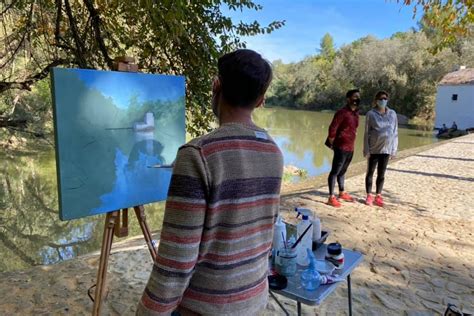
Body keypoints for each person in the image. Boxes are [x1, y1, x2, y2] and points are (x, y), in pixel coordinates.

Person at [137, 49, 284, 315]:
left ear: (216, 86)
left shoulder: (197, 155)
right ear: (261, 100)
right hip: (254, 302)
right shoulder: (274, 152)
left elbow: (177, 260)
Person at [363, 90, 398, 207]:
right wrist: (366, 149)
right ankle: (369, 195)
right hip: (374, 149)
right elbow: (366, 132)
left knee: (381, 174)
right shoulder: (371, 114)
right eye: (381, 99)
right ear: (376, 100)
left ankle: (378, 195)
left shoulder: (392, 114)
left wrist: (394, 149)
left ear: (387, 100)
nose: (383, 101)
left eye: (385, 99)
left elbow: (395, 132)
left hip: (386, 149)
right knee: (370, 172)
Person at [326, 89, 360, 207]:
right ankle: (331, 197)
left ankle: (341, 192)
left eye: (358, 97)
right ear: (348, 99)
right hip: (340, 146)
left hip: (351, 147)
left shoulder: (356, 113)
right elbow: (333, 128)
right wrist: (332, 142)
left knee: (343, 171)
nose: (356, 99)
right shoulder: (342, 112)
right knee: (335, 171)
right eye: (354, 97)